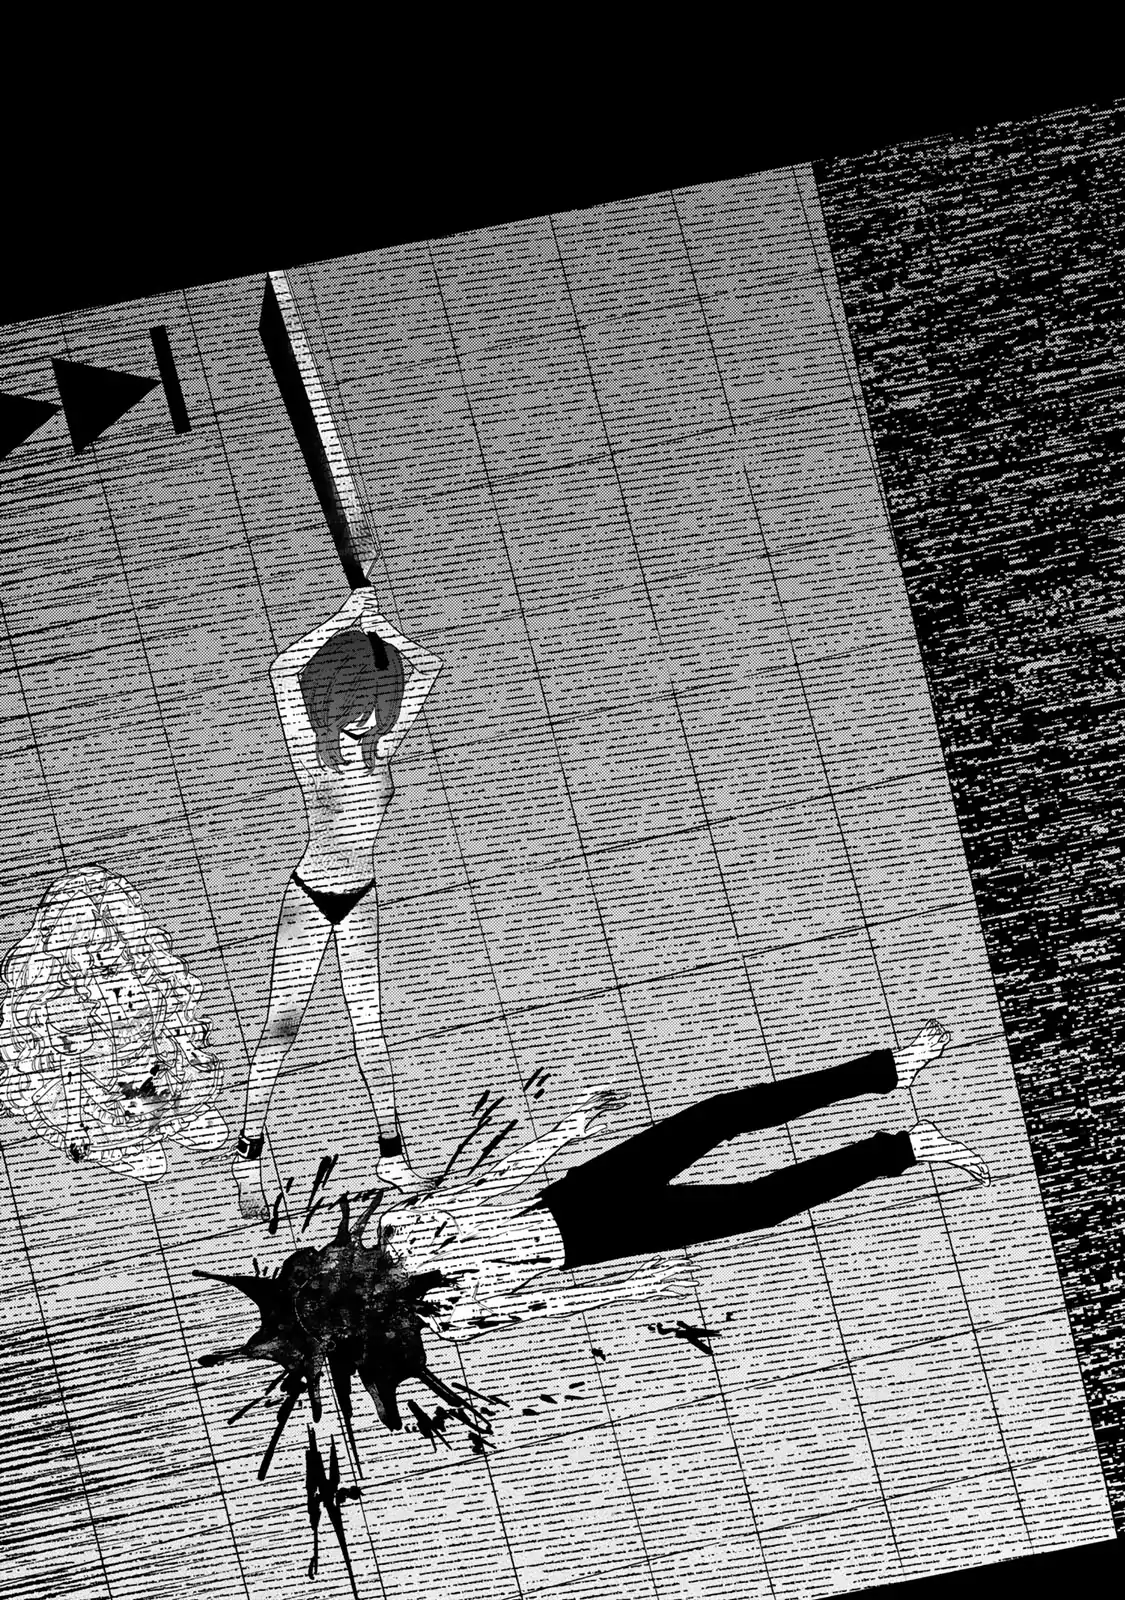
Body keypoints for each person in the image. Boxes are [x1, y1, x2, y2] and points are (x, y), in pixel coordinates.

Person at [375, 1020, 989, 1345]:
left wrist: (573, 1125)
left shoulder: (405, 1227)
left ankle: (887, 1072)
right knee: (758, 1207)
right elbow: (545, 1302)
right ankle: (907, 1147)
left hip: (582, 1193)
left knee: (717, 1116)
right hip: (599, 1241)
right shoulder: (446, 1315)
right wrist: (631, 1286)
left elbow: (504, 1177)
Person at [232, 585, 442, 1220]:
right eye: (357, 706)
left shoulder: (382, 748)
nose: (366, 720)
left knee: (369, 1028)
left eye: (376, 706)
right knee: (282, 1027)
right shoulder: (311, 754)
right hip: (309, 896)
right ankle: (247, 1154)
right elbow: (282, 673)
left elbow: (428, 665)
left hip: (361, 895)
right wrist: (347, 617)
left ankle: (391, 1155)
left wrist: (377, 619)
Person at [0, 866, 226, 1181]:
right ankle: (128, 1143)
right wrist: (76, 1127)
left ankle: (174, 1118)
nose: (119, 960)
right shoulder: (65, 1003)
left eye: (122, 951)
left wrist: (183, 1047)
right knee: (147, 1160)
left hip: (152, 1074)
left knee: (207, 1124)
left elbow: (169, 1020)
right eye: (103, 960)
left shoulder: (142, 970)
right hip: (102, 1091)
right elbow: (71, 1068)